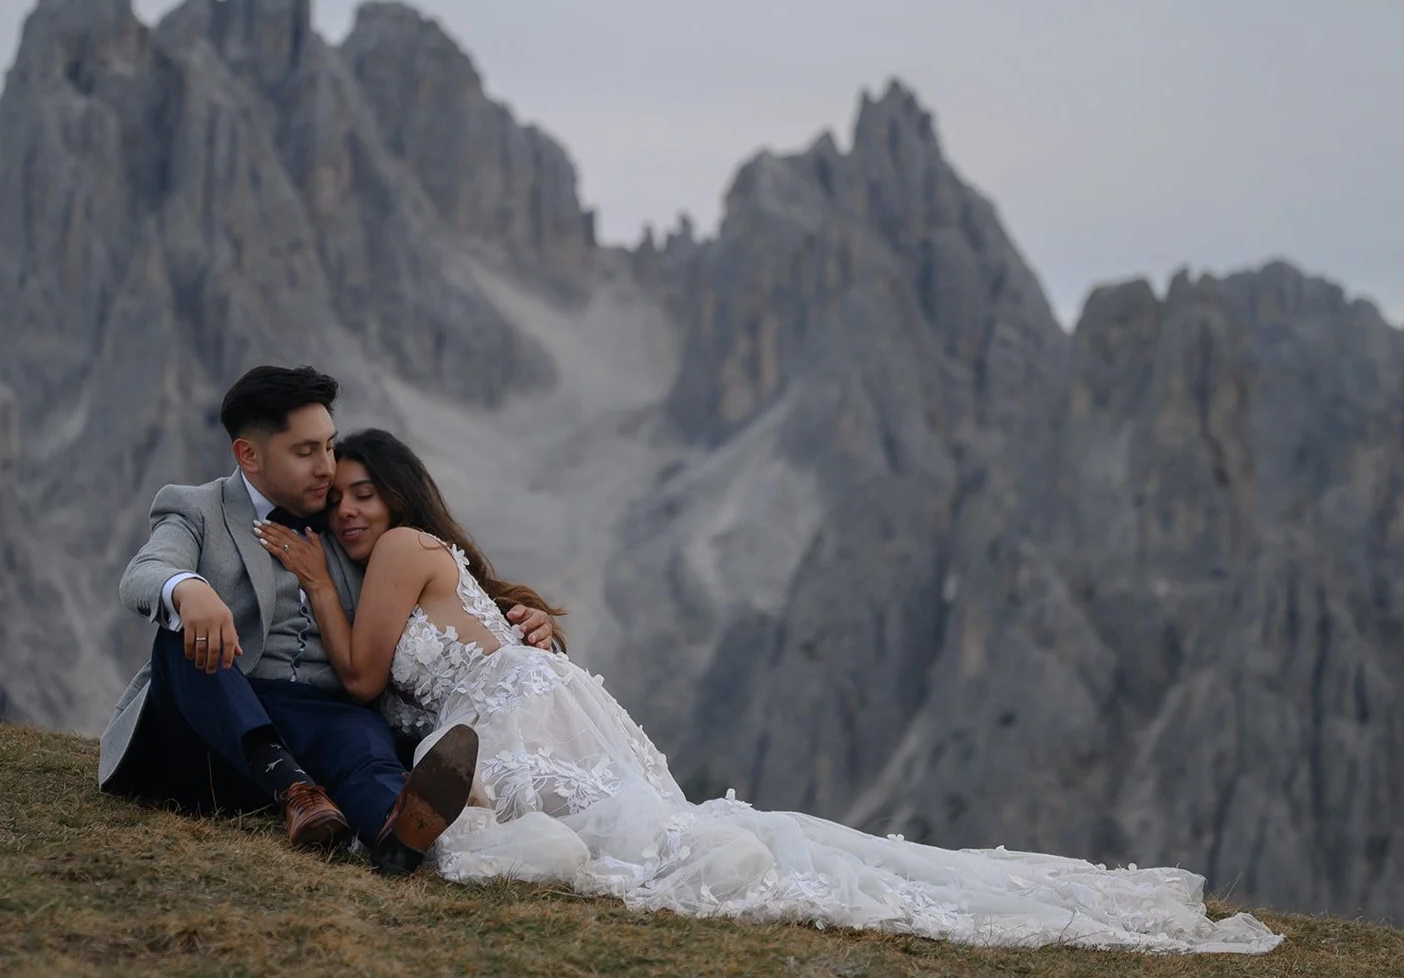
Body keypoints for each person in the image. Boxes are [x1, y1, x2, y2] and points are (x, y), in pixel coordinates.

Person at [253, 426, 1284, 953]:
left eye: (361, 492)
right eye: (335, 497)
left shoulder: (391, 551)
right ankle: (683, 853)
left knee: (549, 838)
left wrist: (310, 580)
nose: (348, 511)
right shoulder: (430, 550)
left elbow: (360, 675)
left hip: (515, 709)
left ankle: (491, 841)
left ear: (394, 493)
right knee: (634, 826)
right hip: (545, 694)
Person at [97, 367, 560, 875]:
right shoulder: (196, 508)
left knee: (359, 736)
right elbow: (144, 572)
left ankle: (395, 830)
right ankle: (292, 788)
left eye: (329, 446)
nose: (326, 468)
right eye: (306, 452)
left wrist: (517, 620)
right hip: (218, 729)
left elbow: (436, 593)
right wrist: (188, 590)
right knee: (183, 640)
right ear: (249, 455)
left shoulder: (344, 522)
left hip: (322, 720)